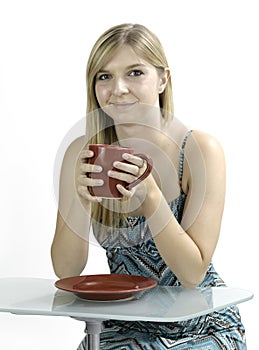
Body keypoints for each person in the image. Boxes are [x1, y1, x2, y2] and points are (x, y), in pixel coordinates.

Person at [51, 23, 246, 349]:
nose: (119, 88)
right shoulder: (82, 153)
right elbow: (65, 270)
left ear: (163, 79)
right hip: (122, 324)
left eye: (135, 73)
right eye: (104, 76)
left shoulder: (198, 150)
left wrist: (153, 199)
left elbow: (192, 274)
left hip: (198, 325)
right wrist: (81, 204)